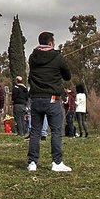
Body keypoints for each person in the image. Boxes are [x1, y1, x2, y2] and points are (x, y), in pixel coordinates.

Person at [27, 31, 73, 173]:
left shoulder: (32, 57)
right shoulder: (58, 57)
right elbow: (67, 76)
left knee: (35, 132)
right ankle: (56, 162)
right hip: (52, 98)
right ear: (51, 43)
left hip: (35, 98)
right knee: (56, 131)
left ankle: (32, 163)